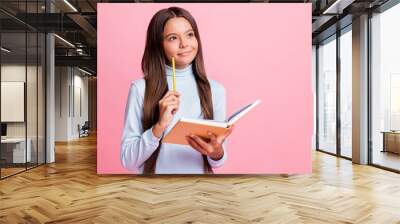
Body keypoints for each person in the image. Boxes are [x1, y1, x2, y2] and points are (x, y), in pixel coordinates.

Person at [120, 6, 234, 174]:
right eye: (173, 38)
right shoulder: (140, 89)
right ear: (159, 45)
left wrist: (217, 152)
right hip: (154, 193)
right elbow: (127, 161)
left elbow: (217, 163)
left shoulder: (215, 90)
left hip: (199, 192)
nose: (184, 44)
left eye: (189, 34)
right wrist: (159, 126)